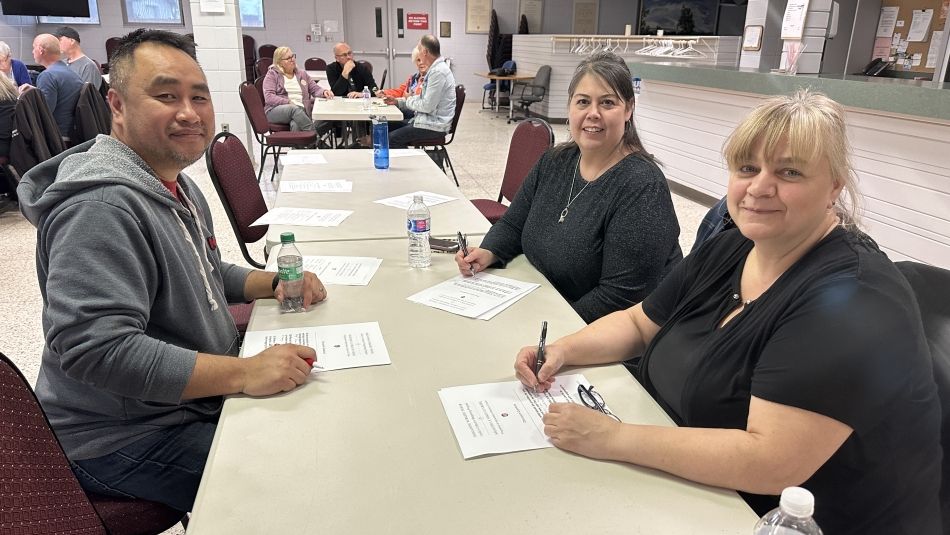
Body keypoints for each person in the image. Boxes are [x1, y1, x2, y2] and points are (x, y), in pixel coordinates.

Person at [514, 90, 942, 533]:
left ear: (834, 185)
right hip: (703, 489)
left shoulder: (851, 299)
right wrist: (563, 351)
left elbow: (769, 463)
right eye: (747, 169)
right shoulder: (735, 245)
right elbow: (639, 323)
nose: (759, 188)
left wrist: (613, 438)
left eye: (789, 171)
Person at [17, 29, 329, 513]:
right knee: (301, 484)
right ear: (116, 104)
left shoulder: (169, 183)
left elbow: (202, 270)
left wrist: (271, 283)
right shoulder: (100, 207)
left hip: (176, 404)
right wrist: (244, 372)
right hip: (120, 436)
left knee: (317, 430)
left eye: (199, 97)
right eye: (166, 96)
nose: (189, 112)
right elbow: (97, 351)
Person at [456, 52, 682, 324]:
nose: (593, 114)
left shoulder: (642, 187)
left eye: (608, 103)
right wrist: (488, 251)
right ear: (570, 107)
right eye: (583, 101)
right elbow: (514, 224)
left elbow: (620, 299)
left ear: (629, 109)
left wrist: (547, 326)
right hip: (547, 306)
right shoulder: (555, 161)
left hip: (603, 339)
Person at [383, 35, 457, 161]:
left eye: (419, 49)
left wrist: (409, 99)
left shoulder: (438, 72)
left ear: (425, 52)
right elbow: (422, 99)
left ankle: (410, 172)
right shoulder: (435, 70)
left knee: (392, 139)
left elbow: (427, 106)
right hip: (427, 120)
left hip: (434, 125)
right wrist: (398, 101)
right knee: (385, 126)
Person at [21, 34, 83, 140]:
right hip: (72, 133)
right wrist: (36, 91)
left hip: (57, 137)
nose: (32, 52)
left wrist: (26, 99)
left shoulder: (47, 75)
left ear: (41, 50)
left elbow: (43, 113)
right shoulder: (70, 72)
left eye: (34, 47)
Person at [263, 46, 333, 134]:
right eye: (288, 58)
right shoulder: (272, 75)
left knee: (296, 123)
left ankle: (299, 147)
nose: (292, 59)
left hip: (300, 109)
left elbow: (315, 89)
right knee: (294, 109)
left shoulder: (302, 74)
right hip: (275, 110)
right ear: (279, 62)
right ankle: (316, 138)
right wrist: (287, 102)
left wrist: (323, 92)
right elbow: (269, 97)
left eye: (292, 56)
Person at [376, 45, 426, 130]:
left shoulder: (429, 80)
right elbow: (400, 91)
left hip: (415, 115)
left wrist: (408, 98)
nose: (421, 63)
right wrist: (385, 92)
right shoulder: (413, 78)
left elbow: (420, 102)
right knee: (378, 119)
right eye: (418, 60)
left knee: (384, 124)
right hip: (405, 108)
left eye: (423, 60)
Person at [55, 26, 104, 90]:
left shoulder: (88, 66)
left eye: (59, 40)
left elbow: (88, 95)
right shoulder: (61, 64)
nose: (56, 43)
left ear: (72, 41)